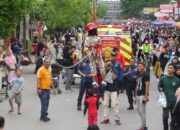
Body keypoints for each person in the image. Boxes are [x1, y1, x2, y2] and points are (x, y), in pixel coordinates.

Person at [101, 53, 121, 125]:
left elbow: (114, 77)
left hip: (114, 89)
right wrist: (105, 68)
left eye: (113, 56)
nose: (108, 66)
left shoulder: (114, 69)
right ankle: (106, 119)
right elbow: (102, 77)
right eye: (111, 56)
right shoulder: (105, 70)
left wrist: (111, 69)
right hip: (106, 89)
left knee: (114, 104)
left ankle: (117, 119)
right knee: (105, 104)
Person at [158, 64, 180, 130]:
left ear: (174, 70)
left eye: (171, 68)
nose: (169, 69)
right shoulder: (163, 79)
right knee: (165, 117)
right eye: (168, 68)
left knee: (174, 118)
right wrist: (160, 88)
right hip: (165, 102)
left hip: (174, 102)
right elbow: (159, 86)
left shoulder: (177, 80)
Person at [136, 62, 150, 130]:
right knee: (138, 110)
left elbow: (147, 85)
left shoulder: (146, 74)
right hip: (138, 95)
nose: (139, 67)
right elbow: (137, 86)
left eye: (140, 66)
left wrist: (146, 96)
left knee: (142, 112)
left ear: (144, 67)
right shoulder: (139, 74)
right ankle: (143, 125)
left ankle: (143, 127)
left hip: (143, 95)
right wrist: (135, 96)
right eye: (138, 66)